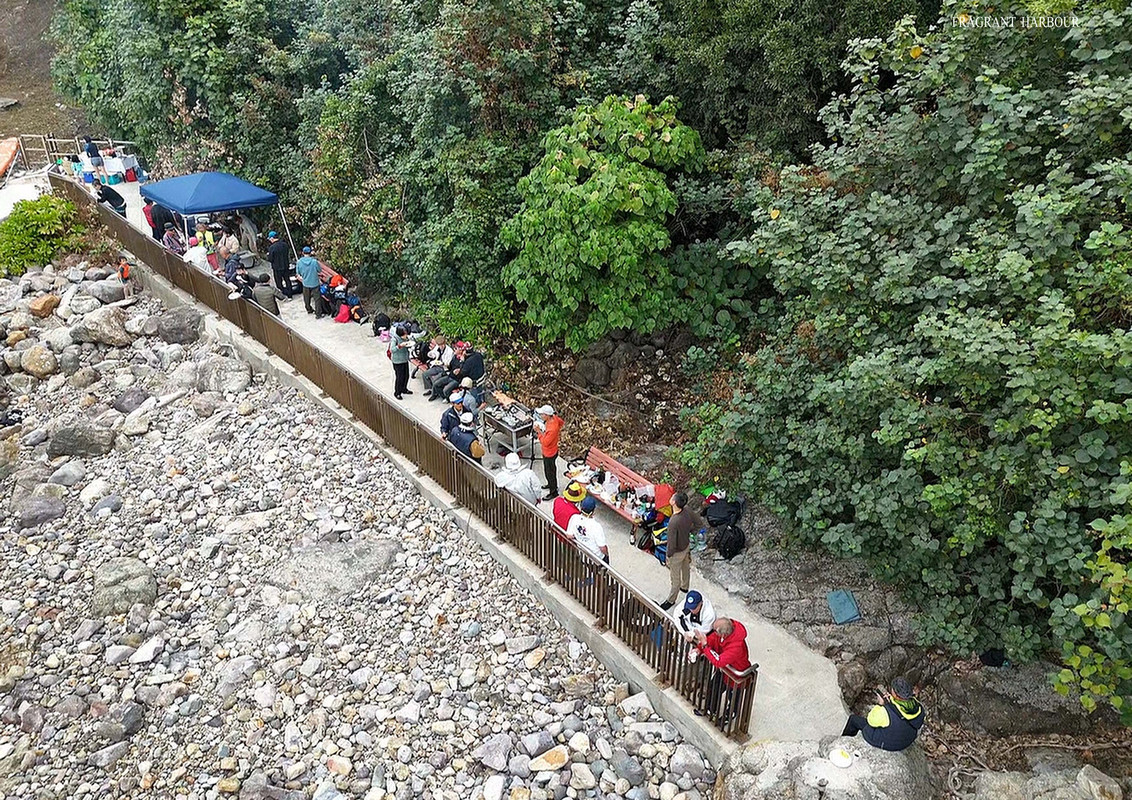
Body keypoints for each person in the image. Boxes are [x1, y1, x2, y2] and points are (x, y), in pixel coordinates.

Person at [842, 678, 925, 752]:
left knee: (853, 720)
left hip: (889, 743)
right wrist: (892, 700)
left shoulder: (885, 712)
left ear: (896, 694)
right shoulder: (918, 707)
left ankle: (843, 742)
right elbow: (900, 712)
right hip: (907, 740)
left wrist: (880, 705)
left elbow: (871, 721)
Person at [692, 617, 751, 718]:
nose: (713, 632)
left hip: (736, 675)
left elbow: (718, 661)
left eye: (715, 630)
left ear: (723, 634)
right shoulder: (724, 633)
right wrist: (699, 649)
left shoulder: (736, 647)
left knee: (732, 698)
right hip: (725, 671)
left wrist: (705, 646)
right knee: (713, 687)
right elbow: (712, 640)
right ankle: (710, 709)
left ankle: (728, 717)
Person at [659, 491, 700, 611]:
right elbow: (698, 523)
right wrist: (689, 531)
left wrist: (668, 556)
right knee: (685, 567)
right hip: (686, 546)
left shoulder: (673, 522)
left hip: (676, 552)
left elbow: (671, 543)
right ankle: (685, 586)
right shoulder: (687, 510)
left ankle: (671, 600)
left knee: (675, 578)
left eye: (672, 497)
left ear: (674, 502)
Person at [566, 496, 608, 564]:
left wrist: (579, 536)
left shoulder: (574, 518)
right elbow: (602, 547)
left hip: (583, 555)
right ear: (593, 511)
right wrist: (607, 554)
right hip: (596, 558)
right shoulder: (596, 526)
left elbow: (569, 535)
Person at [534, 405, 563, 501]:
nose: (541, 416)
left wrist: (538, 432)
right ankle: (551, 484)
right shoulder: (554, 418)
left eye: (542, 414)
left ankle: (553, 491)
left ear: (547, 415)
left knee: (549, 472)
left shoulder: (552, 429)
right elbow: (561, 422)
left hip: (549, 453)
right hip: (553, 450)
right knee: (551, 470)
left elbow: (545, 442)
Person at [265, 231, 293, 300]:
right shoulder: (285, 245)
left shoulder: (272, 248)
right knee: (287, 280)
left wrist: (268, 255)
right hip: (286, 266)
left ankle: (282, 295)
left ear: (272, 238)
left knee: (279, 282)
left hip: (277, 268)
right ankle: (290, 295)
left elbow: (270, 259)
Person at [389, 324, 414, 400]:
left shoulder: (405, 338)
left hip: (404, 359)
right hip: (397, 361)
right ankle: (397, 392)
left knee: (406, 375)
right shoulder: (395, 339)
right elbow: (392, 349)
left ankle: (404, 388)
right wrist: (400, 346)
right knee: (399, 377)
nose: (405, 336)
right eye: (404, 335)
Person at [296, 246, 321, 316]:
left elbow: (298, 273)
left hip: (305, 283)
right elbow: (319, 270)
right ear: (310, 253)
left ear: (303, 253)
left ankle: (309, 309)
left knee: (306, 298)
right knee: (317, 299)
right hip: (315, 282)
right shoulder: (314, 261)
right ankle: (318, 314)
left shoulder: (299, 262)